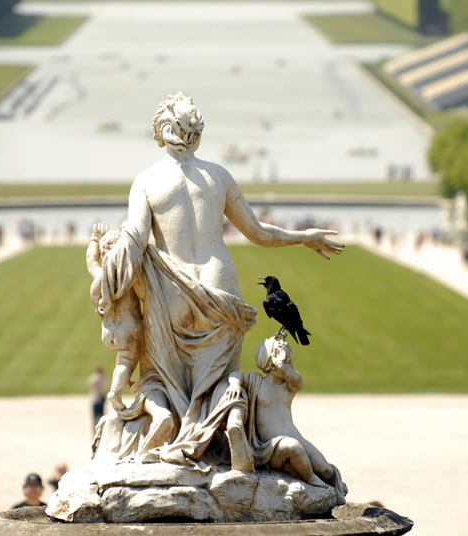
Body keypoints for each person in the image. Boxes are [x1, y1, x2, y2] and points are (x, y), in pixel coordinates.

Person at [94, 93, 343, 468]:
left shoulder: (145, 181)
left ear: (162, 132)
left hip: (174, 289)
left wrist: (105, 268)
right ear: (196, 134)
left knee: (165, 379)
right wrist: (304, 236)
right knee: (221, 377)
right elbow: (259, 233)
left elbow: (135, 240)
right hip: (219, 283)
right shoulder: (219, 177)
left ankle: (176, 436)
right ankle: (228, 428)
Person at [227, 336, 346, 503]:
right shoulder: (257, 382)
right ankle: (311, 479)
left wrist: (282, 365)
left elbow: (297, 379)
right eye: (280, 353)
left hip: (296, 436)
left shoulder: (289, 386)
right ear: (268, 358)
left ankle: (337, 488)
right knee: (292, 447)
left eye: (287, 354)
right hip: (269, 446)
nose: (286, 357)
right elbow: (236, 374)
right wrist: (235, 384)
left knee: (325, 468)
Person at [86, 366, 108, 430]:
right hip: (100, 398)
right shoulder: (103, 378)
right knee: (101, 416)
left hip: (94, 398)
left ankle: (95, 430)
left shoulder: (92, 378)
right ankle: (100, 429)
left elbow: (89, 387)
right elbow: (105, 388)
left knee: (95, 416)